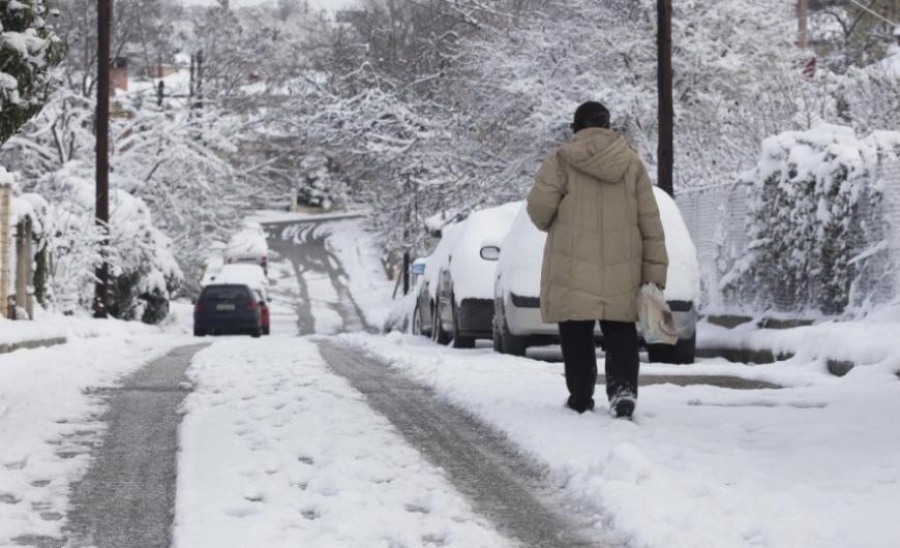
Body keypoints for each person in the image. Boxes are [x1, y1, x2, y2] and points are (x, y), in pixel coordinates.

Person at [526, 101, 668, 418]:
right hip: (623, 266)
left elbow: (539, 212)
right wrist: (656, 271)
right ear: (607, 126)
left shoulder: (560, 161)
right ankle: (623, 392)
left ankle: (580, 395)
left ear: (576, 127)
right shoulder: (632, 165)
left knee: (576, 329)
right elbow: (651, 222)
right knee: (620, 329)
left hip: (572, 264)